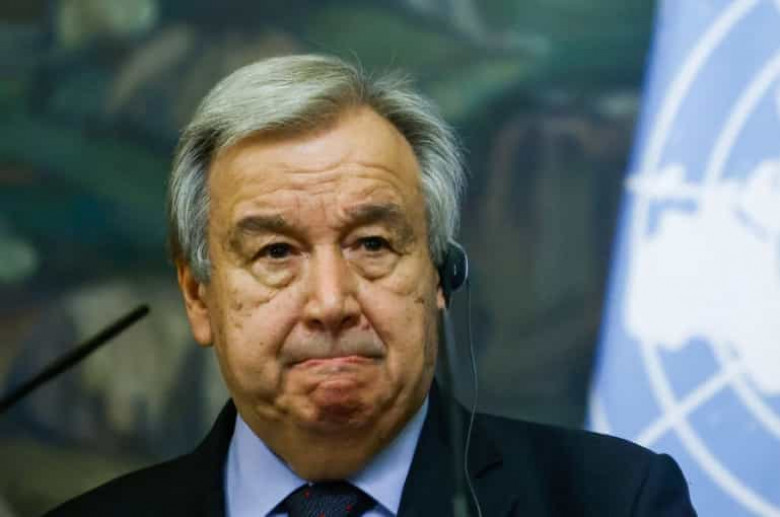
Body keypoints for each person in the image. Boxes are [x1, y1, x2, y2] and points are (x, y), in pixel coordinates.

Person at [47, 54, 696, 516]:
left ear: (439, 275)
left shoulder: (616, 499)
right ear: (198, 296)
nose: (331, 303)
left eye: (373, 244)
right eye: (276, 251)